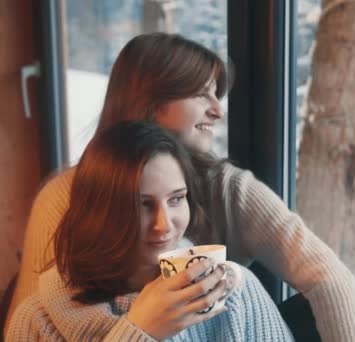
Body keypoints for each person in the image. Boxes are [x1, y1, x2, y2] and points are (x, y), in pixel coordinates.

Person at [7, 32, 355, 342]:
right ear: (150, 105)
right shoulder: (63, 203)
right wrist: (140, 329)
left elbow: (328, 278)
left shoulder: (229, 197)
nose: (218, 111)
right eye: (201, 94)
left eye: (178, 198)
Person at [7, 121, 294, 341]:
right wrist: (140, 330)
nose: (165, 224)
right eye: (142, 204)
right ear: (98, 211)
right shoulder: (38, 321)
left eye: (176, 199)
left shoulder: (232, 290)